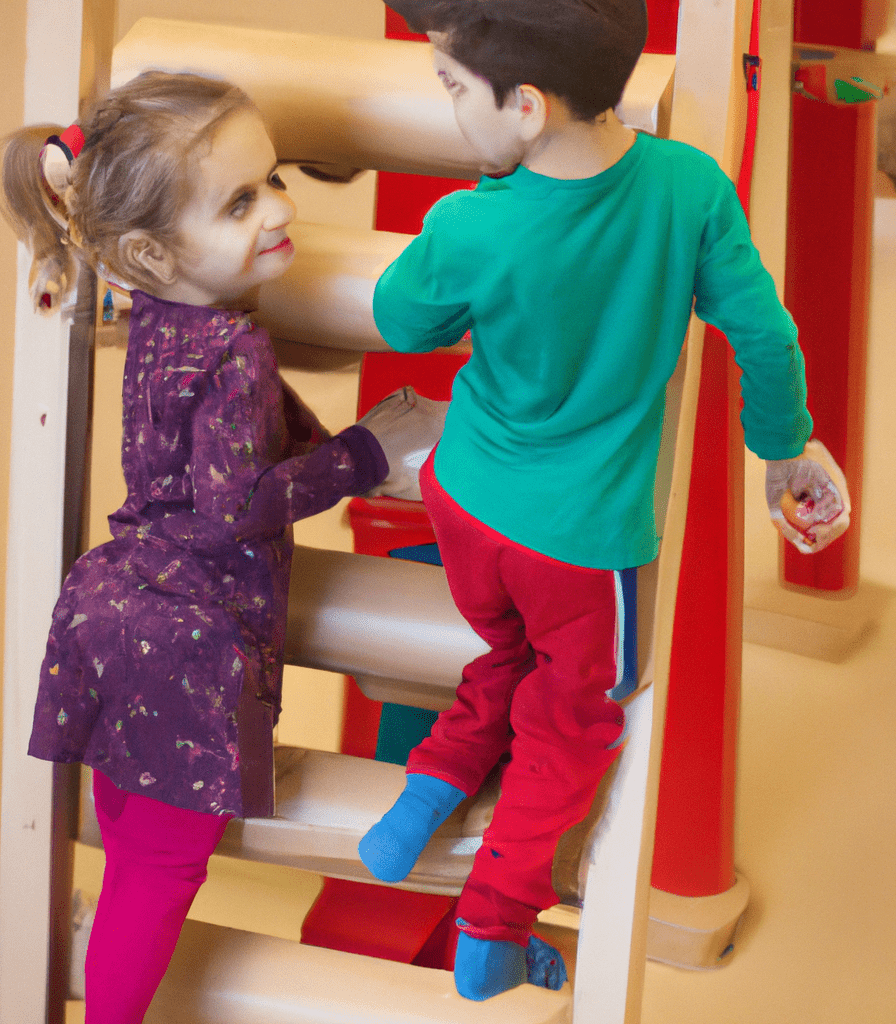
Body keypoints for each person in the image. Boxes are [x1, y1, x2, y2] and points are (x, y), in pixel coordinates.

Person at [359, 0, 851, 1001]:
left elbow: (399, 317)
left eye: (454, 91)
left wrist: (471, 211)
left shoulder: (471, 221)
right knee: (570, 724)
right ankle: (492, 929)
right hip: (580, 550)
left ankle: (419, 802)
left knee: (501, 653)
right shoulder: (688, 188)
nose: (447, 110)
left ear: (526, 106)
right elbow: (763, 334)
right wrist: (782, 447)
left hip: (467, 511)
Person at [0, 71, 438, 1024]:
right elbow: (237, 506)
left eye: (275, 179)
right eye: (241, 201)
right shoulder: (235, 348)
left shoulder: (161, 313)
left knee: (133, 853)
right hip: (183, 641)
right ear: (152, 250)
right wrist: (361, 456)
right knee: (159, 875)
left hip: (113, 605)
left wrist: (327, 442)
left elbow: (233, 439)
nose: (278, 209)